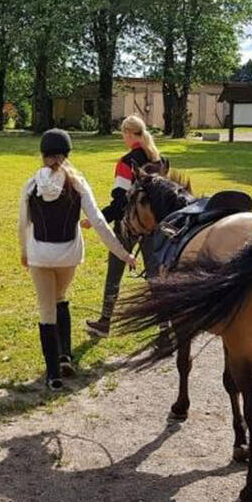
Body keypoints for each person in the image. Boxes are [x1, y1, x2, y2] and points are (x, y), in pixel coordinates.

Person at [19, 129, 137, 390]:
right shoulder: (78, 183)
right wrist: (124, 254)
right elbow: (99, 222)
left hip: (39, 255)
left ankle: (53, 376)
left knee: (46, 310)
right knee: (60, 297)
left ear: (42, 155)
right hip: (68, 255)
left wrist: (24, 253)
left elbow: (22, 224)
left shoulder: (31, 185)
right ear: (67, 154)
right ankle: (65, 355)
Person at [84, 114, 166, 336]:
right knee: (155, 276)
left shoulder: (125, 162)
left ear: (130, 134)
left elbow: (119, 202)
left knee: (114, 273)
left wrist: (97, 219)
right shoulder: (159, 161)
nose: (123, 138)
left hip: (128, 226)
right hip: (153, 226)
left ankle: (105, 322)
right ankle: (165, 327)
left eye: (123, 134)